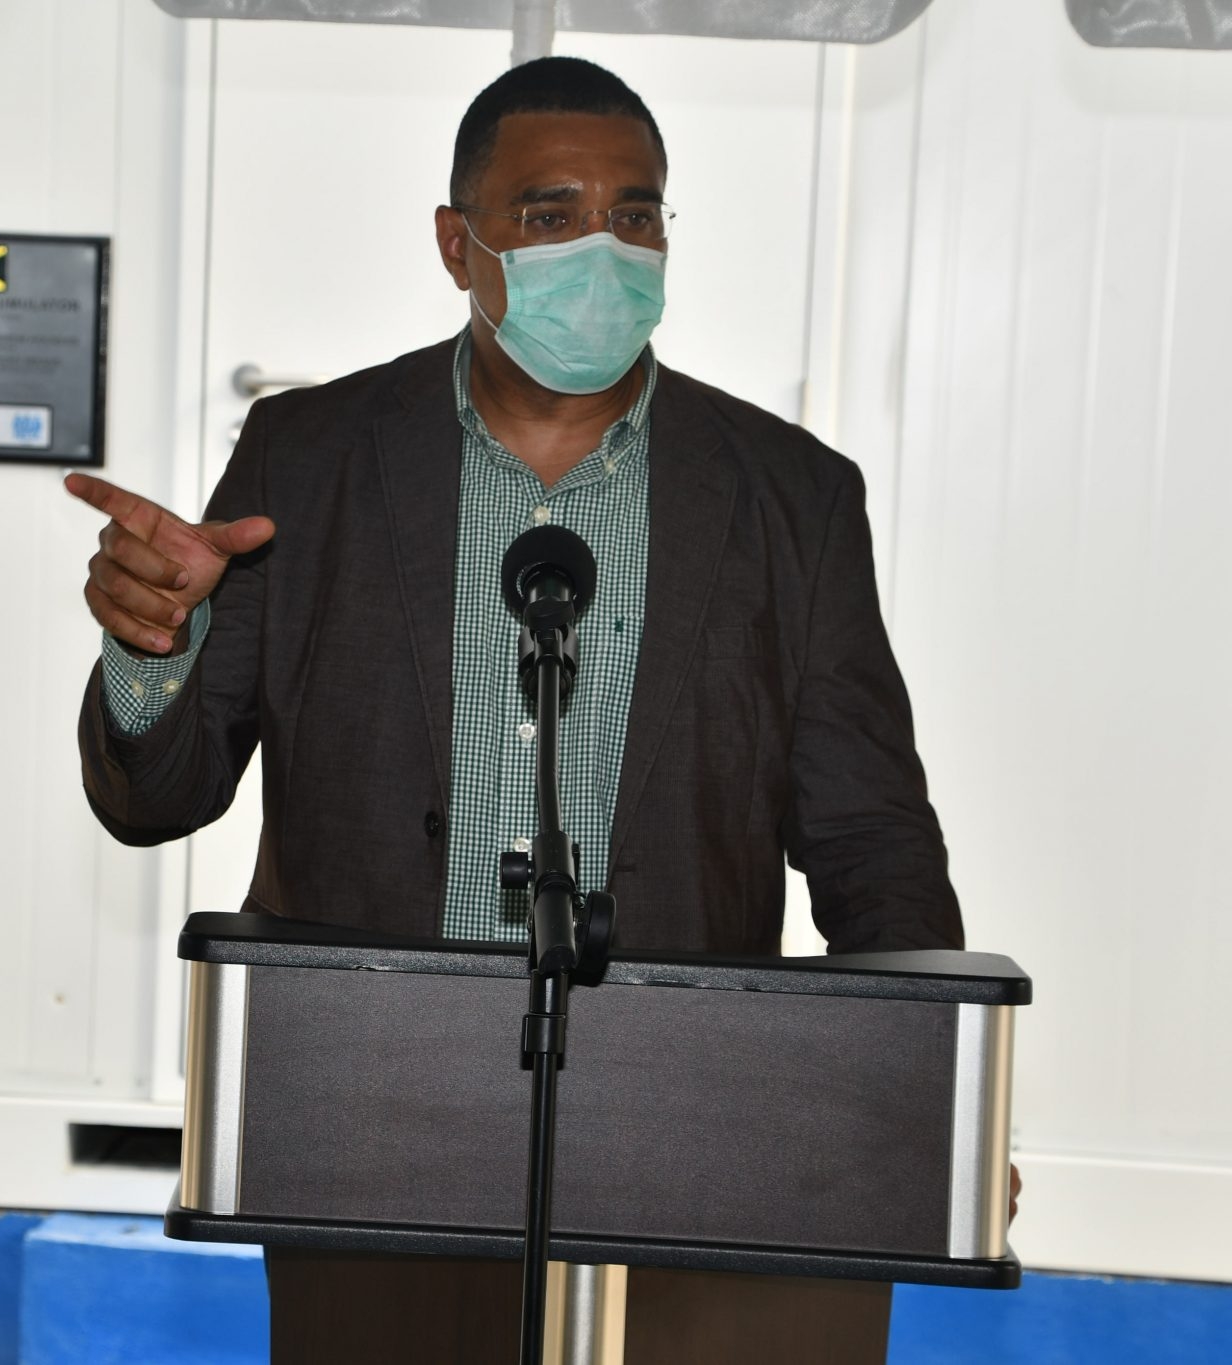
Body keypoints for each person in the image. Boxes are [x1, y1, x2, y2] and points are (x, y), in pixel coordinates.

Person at [70, 55, 997, 1365]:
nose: (604, 250)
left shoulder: (790, 496)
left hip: (693, 1124)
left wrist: (929, 1100)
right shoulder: (312, 460)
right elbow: (156, 799)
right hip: (373, 1119)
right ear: (460, 244)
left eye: (638, 214)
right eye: (552, 216)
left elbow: (871, 839)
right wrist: (153, 641)